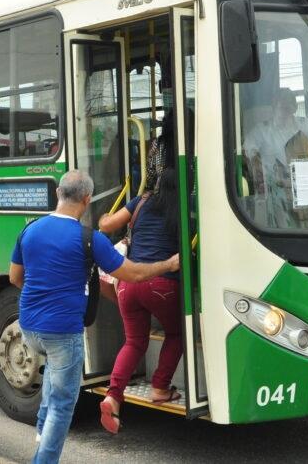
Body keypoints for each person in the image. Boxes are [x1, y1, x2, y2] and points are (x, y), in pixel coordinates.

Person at [9, 170, 180, 464]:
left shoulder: (31, 229)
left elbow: (15, 278)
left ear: (58, 194)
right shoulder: (89, 239)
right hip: (62, 329)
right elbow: (134, 273)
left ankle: (41, 427)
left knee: (53, 367)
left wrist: (44, 294)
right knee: (64, 403)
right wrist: (169, 263)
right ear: (87, 199)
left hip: (29, 327)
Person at [96, 168, 183, 434]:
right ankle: (159, 387)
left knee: (134, 341)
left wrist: (104, 216)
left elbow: (106, 225)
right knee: (177, 334)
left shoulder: (141, 200)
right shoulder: (185, 205)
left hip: (128, 282)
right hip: (162, 282)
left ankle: (113, 395)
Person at [242, 88, 308, 227]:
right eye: (281, 106)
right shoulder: (262, 130)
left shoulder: (307, 126)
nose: (284, 111)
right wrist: (257, 164)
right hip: (274, 193)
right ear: (273, 107)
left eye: (288, 107)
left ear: (295, 108)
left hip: (304, 188)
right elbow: (247, 150)